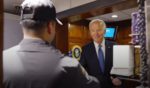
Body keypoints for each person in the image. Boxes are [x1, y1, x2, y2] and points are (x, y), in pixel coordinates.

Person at [3, 0, 100, 88]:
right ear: (50, 26)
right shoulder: (69, 65)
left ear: (23, 26)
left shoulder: (3, 59)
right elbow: (94, 85)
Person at [80, 19, 121, 88]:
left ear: (104, 31)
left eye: (99, 30)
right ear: (90, 32)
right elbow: (82, 69)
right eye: (92, 30)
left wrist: (120, 78)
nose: (96, 33)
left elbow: (121, 66)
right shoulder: (85, 49)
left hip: (112, 85)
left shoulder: (115, 46)